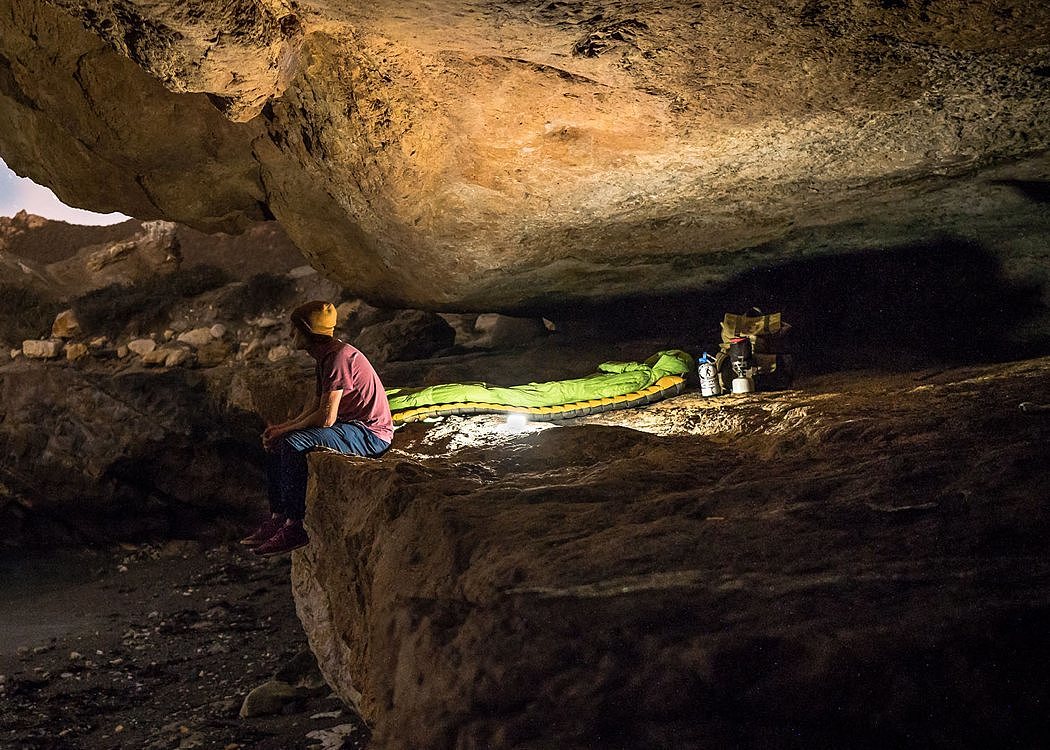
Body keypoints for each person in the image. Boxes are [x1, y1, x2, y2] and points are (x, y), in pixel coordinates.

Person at [242, 300, 393, 556]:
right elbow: (315, 406)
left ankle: (294, 525)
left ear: (309, 332)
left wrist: (287, 433)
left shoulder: (338, 359)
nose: (291, 335)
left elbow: (326, 419)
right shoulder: (325, 357)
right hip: (350, 426)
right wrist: (281, 428)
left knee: (292, 443)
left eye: (295, 330)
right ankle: (278, 517)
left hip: (370, 435)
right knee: (281, 440)